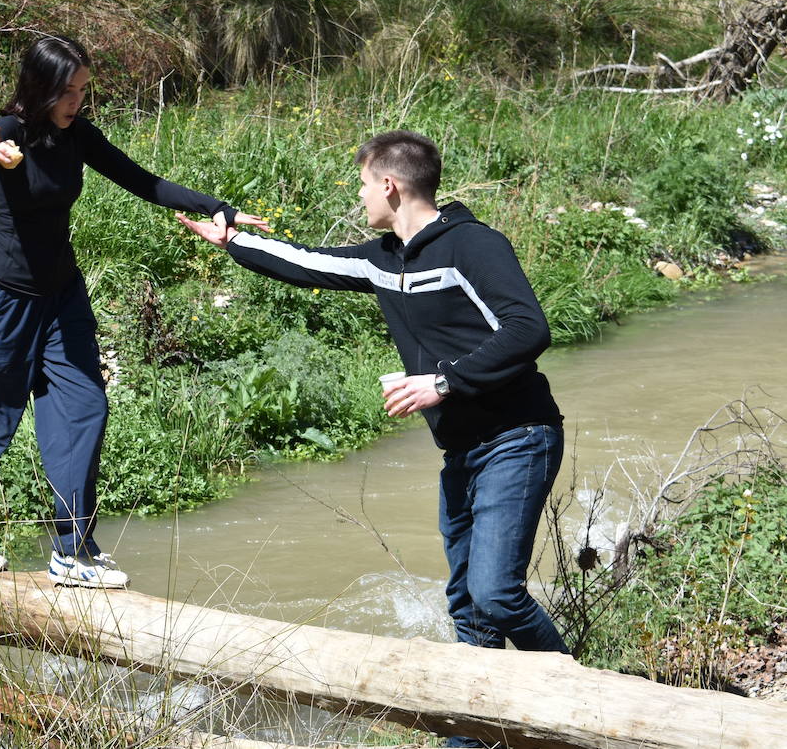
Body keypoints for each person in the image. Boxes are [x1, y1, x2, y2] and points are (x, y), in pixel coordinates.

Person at [177, 130, 567, 748]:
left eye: (364, 184)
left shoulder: (473, 246)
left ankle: (573, 706)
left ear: (390, 185)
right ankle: (472, 739)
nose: (361, 196)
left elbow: (528, 328)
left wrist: (444, 381)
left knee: (495, 595)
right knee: (468, 606)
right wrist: (233, 240)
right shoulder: (385, 259)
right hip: (464, 451)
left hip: (518, 437)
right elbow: (308, 263)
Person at [0, 35, 267, 588]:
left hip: (62, 295)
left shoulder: (79, 136)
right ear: (41, 88)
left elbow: (143, 182)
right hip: (1, 299)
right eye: (67, 92)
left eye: (83, 91)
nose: (77, 102)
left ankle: (72, 550)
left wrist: (218, 208)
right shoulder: (13, 130)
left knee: (85, 405)